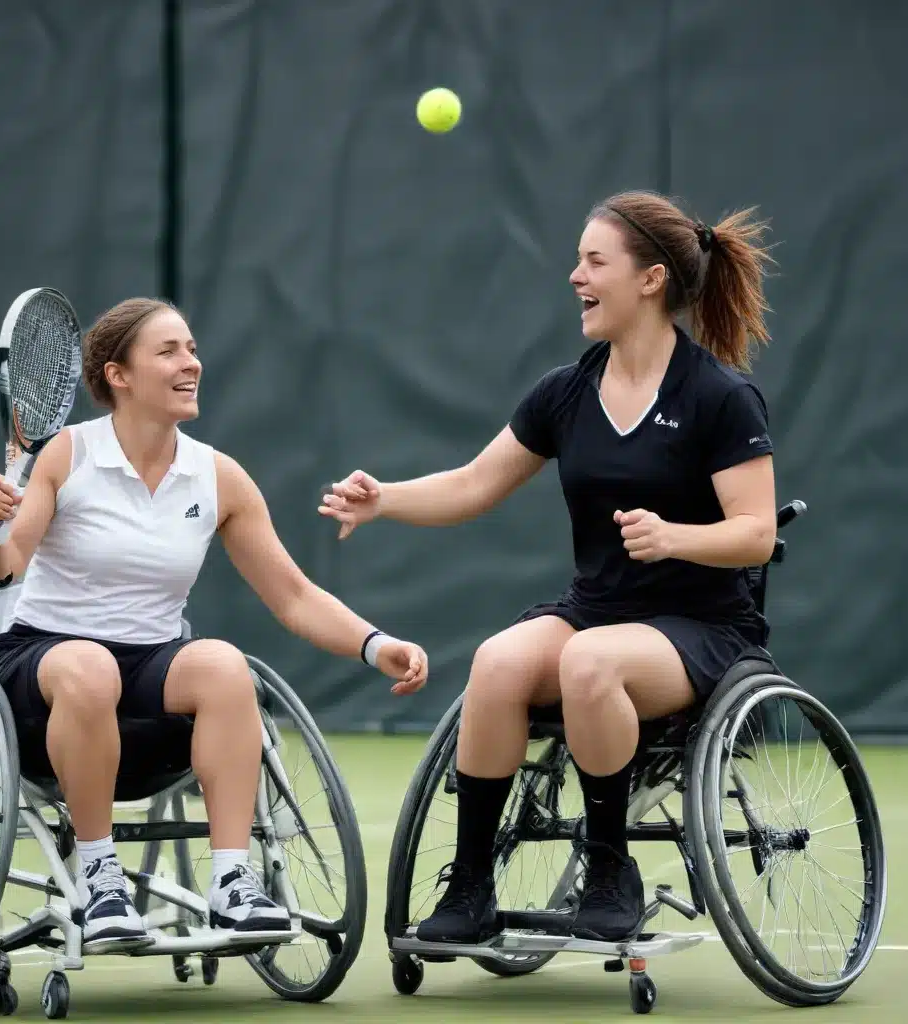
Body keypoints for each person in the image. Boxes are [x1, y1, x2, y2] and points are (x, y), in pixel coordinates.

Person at [319, 190, 777, 944]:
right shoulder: (566, 392)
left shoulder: (720, 398)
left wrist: (675, 537)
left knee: (590, 663)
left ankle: (608, 870)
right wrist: (384, 500)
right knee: (498, 663)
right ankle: (469, 888)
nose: (575, 276)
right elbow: (472, 483)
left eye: (594, 261)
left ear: (651, 279)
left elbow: (756, 534)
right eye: (577, 260)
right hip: (599, 607)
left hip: (702, 627)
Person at [0, 297, 428, 950]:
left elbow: (294, 596)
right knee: (90, 666)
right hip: (38, 663)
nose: (192, 363)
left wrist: (374, 644)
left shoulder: (218, 477)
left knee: (220, 664)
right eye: (169, 352)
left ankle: (233, 883)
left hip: (150, 663)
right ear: (119, 375)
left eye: (191, 349)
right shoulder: (65, 456)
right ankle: (101, 880)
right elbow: (5, 567)